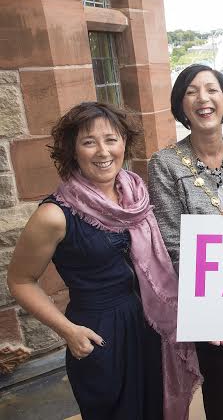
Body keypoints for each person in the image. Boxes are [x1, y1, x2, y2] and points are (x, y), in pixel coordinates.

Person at [7, 102, 201, 420]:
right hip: (99, 336)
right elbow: (19, 280)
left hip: (150, 327)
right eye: (88, 142)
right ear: (72, 150)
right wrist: (67, 331)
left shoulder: (136, 196)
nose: (102, 151)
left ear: (124, 142)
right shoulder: (54, 214)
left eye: (111, 139)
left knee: (156, 411)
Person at [148, 64, 223, 420]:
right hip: (203, 296)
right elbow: (173, 241)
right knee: (215, 382)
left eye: (212, 89)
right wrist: (210, 310)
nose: (203, 98)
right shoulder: (165, 164)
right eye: (191, 91)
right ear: (181, 105)